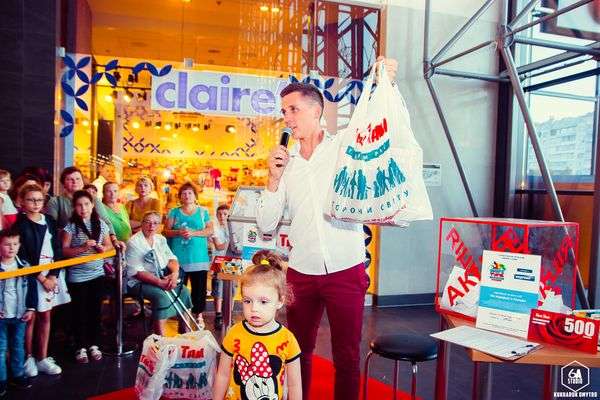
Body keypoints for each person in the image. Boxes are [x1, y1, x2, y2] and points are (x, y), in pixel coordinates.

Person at [256, 57, 397, 400]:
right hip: (301, 272)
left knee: (347, 355)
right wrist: (273, 179)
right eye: (284, 111)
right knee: (297, 352)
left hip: (346, 268)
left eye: (293, 110)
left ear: (316, 111)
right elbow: (265, 226)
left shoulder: (343, 148)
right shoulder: (285, 164)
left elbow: (381, 124)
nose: (287, 118)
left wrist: (387, 83)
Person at [212, 250, 301, 400]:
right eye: (247, 301)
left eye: (263, 302)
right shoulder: (234, 333)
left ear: (280, 301)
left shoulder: (287, 339)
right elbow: (223, 374)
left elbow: (294, 385)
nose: (254, 308)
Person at [14, 184, 70, 377]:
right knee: (30, 318)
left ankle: (43, 357)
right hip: (32, 277)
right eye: (31, 199)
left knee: (46, 316)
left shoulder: (49, 220)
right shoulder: (20, 225)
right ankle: (28, 357)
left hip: (51, 273)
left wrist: (53, 275)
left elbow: (57, 249)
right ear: (22, 201)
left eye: (39, 199)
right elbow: (22, 256)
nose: (36, 203)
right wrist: (41, 278)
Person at [62, 190, 113, 363]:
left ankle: (94, 344)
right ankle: (80, 346)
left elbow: (108, 245)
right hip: (77, 276)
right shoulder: (71, 226)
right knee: (79, 312)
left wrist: (102, 249)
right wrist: (82, 248)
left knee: (95, 311)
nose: (83, 208)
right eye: (79, 205)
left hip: (97, 274)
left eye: (86, 204)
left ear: (92, 205)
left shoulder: (101, 224)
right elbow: (64, 251)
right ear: (74, 207)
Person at [125, 211, 193, 336]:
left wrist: (175, 274)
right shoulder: (134, 242)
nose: (151, 226)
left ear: (159, 225)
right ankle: (160, 338)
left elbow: (171, 259)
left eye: (155, 223)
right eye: (148, 222)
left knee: (184, 291)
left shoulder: (160, 239)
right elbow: (136, 272)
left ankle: (185, 331)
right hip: (138, 281)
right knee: (161, 296)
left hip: (161, 277)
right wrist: (159, 283)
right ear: (142, 223)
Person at [163, 183, 212, 327]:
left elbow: (210, 230)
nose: (187, 196)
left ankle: (199, 315)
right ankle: (181, 316)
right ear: (180, 197)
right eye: (184, 193)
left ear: (195, 196)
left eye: (190, 193)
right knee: (179, 288)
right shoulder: (174, 212)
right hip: (178, 259)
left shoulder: (203, 212)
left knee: (199, 289)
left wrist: (193, 233)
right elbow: (166, 231)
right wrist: (179, 232)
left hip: (199, 257)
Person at [46, 167, 122, 250]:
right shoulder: (55, 202)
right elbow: (51, 228)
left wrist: (114, 240)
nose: (75, 182)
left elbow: (106, 222)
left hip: (96, 249)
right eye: (70, 179)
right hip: (67, 250)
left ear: (82, 181)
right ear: (63, 183)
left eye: (78, 178)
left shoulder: (93, 199)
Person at [0, 228, 36, 395]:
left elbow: (32, 289)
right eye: (7, 244)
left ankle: (18, 374)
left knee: (18, 346)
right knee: (1, 349)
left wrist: (30, 308)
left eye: (15, 244)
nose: (12, 248)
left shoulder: (24, 265)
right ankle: (1, 380)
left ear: (20, 245)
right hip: (1, 315)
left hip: (20, 314)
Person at [209, 204, 230, 329]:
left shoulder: (232, 228)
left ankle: (228, 314)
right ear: (216, 215)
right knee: (218, 289)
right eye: (220, 214)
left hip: (232, 260)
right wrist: (231, 241)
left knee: (231, 290)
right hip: (219, 260)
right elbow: (219, 246)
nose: (222, 216)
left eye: (225, 214)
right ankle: (218, 315)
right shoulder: (215, 228)